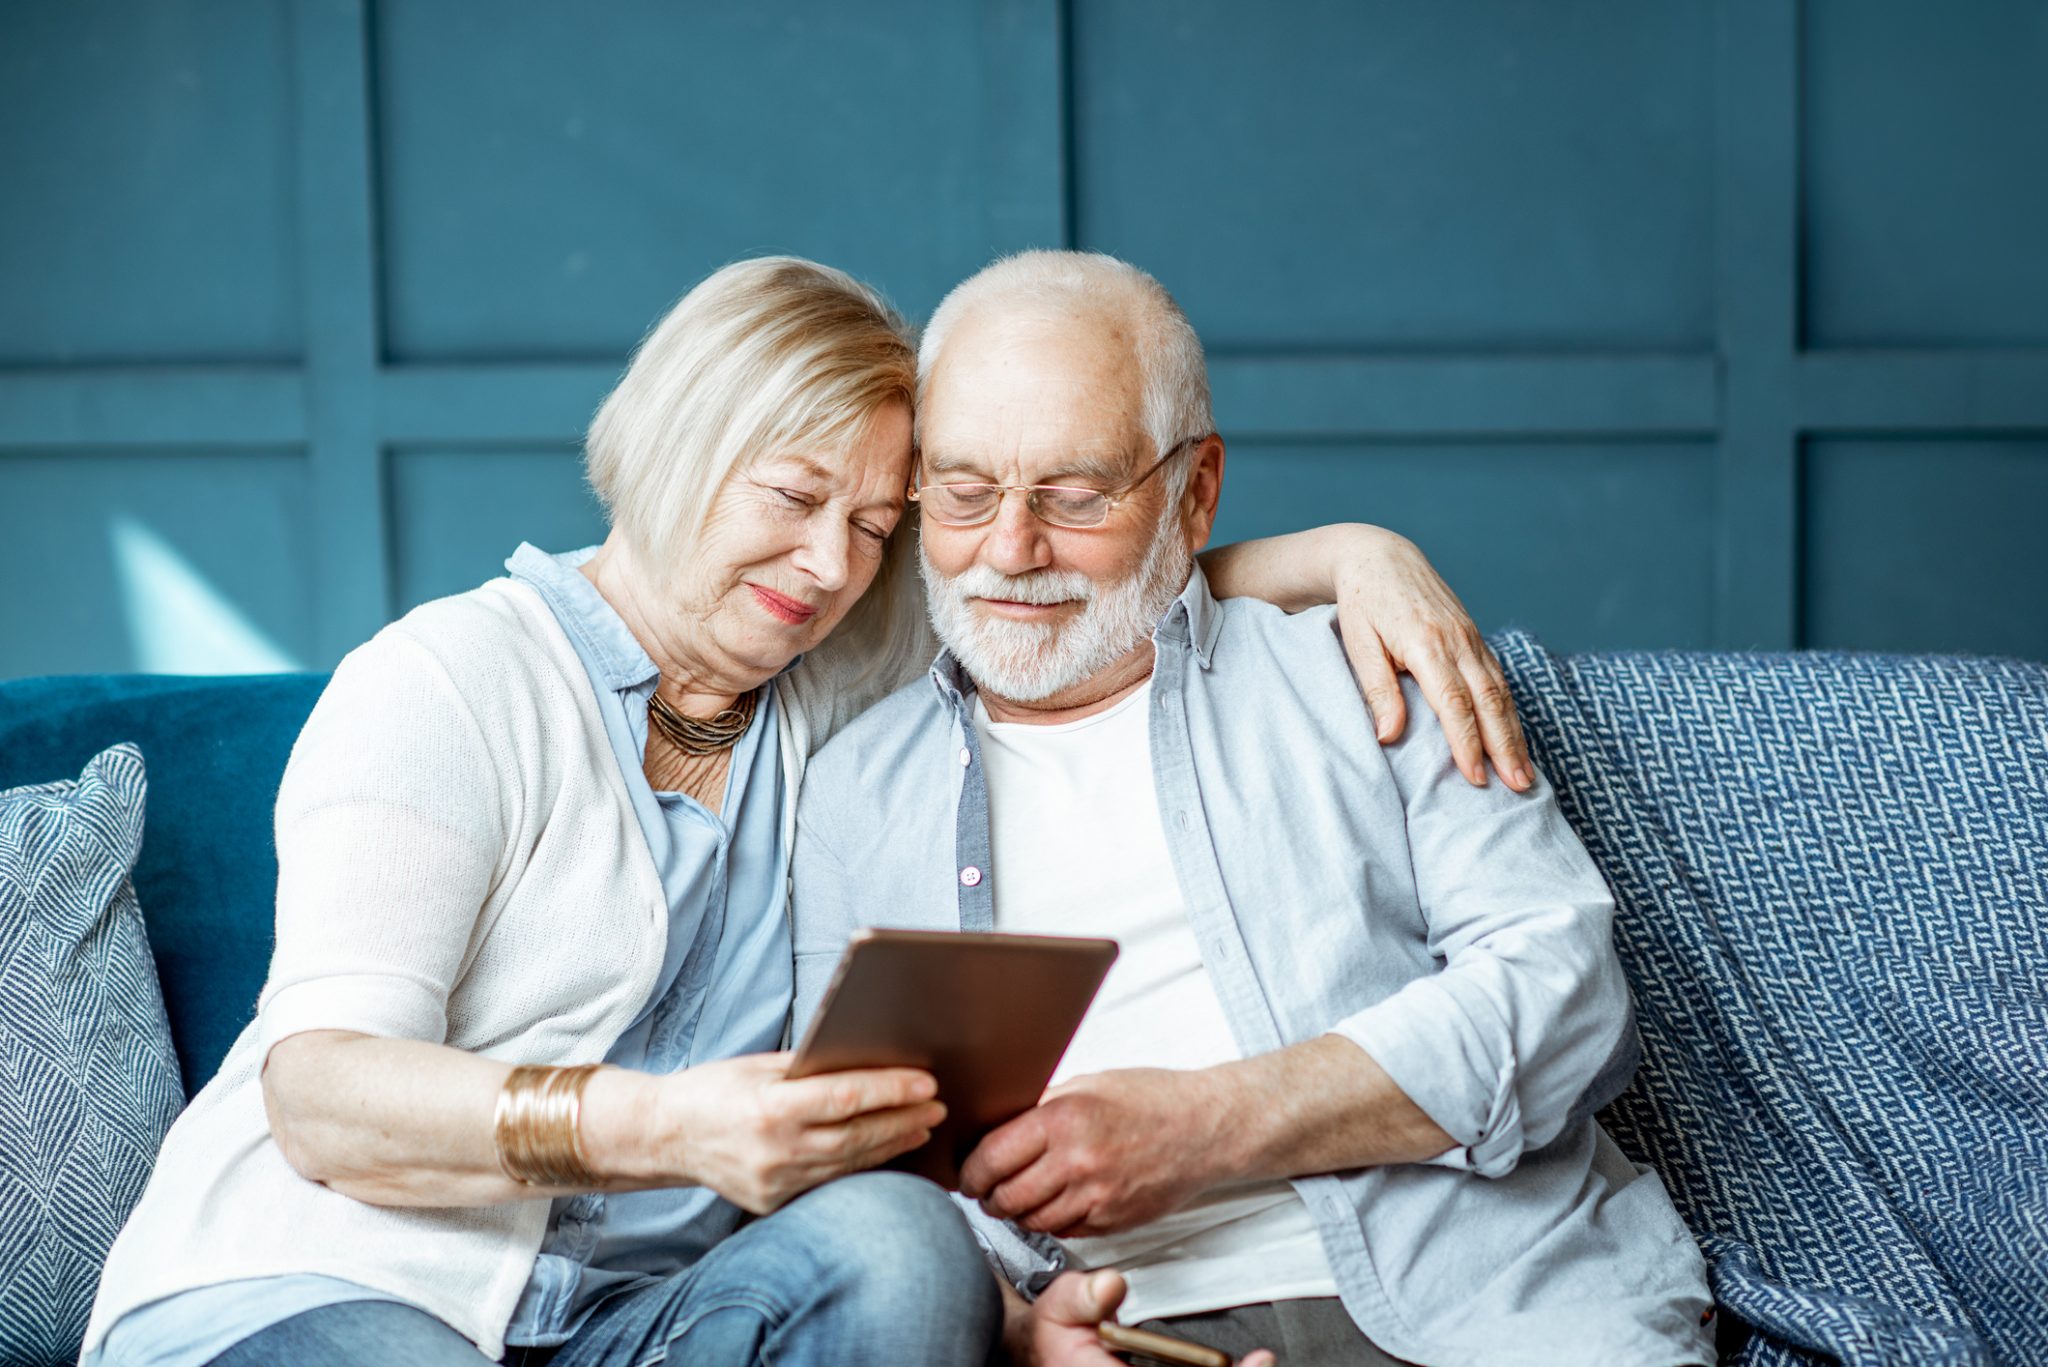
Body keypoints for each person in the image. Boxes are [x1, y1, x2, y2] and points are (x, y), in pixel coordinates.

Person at [81, 256, 1526, 1367]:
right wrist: (662, 1127)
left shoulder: (820, 682)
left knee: (903, 1244)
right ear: (676, 444)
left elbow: (1069, 584)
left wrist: (1353, 554)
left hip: (635, 1322)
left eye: (881, 525)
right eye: (792, 495)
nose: (833, 561)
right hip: (339, 1284)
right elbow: (322, 1094)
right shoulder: (452, 678)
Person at [790, 251, 1716, 1367]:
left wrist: (1211, 1122)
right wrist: (1013, 1322)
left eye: (1075, 496)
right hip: (1112, 1334)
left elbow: (1562, 992)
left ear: (1195, 491)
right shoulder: (851, 789)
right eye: (963, 488)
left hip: (1485, 1300)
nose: (1009, 549)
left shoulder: (1365, 668)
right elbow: (846, 1160)